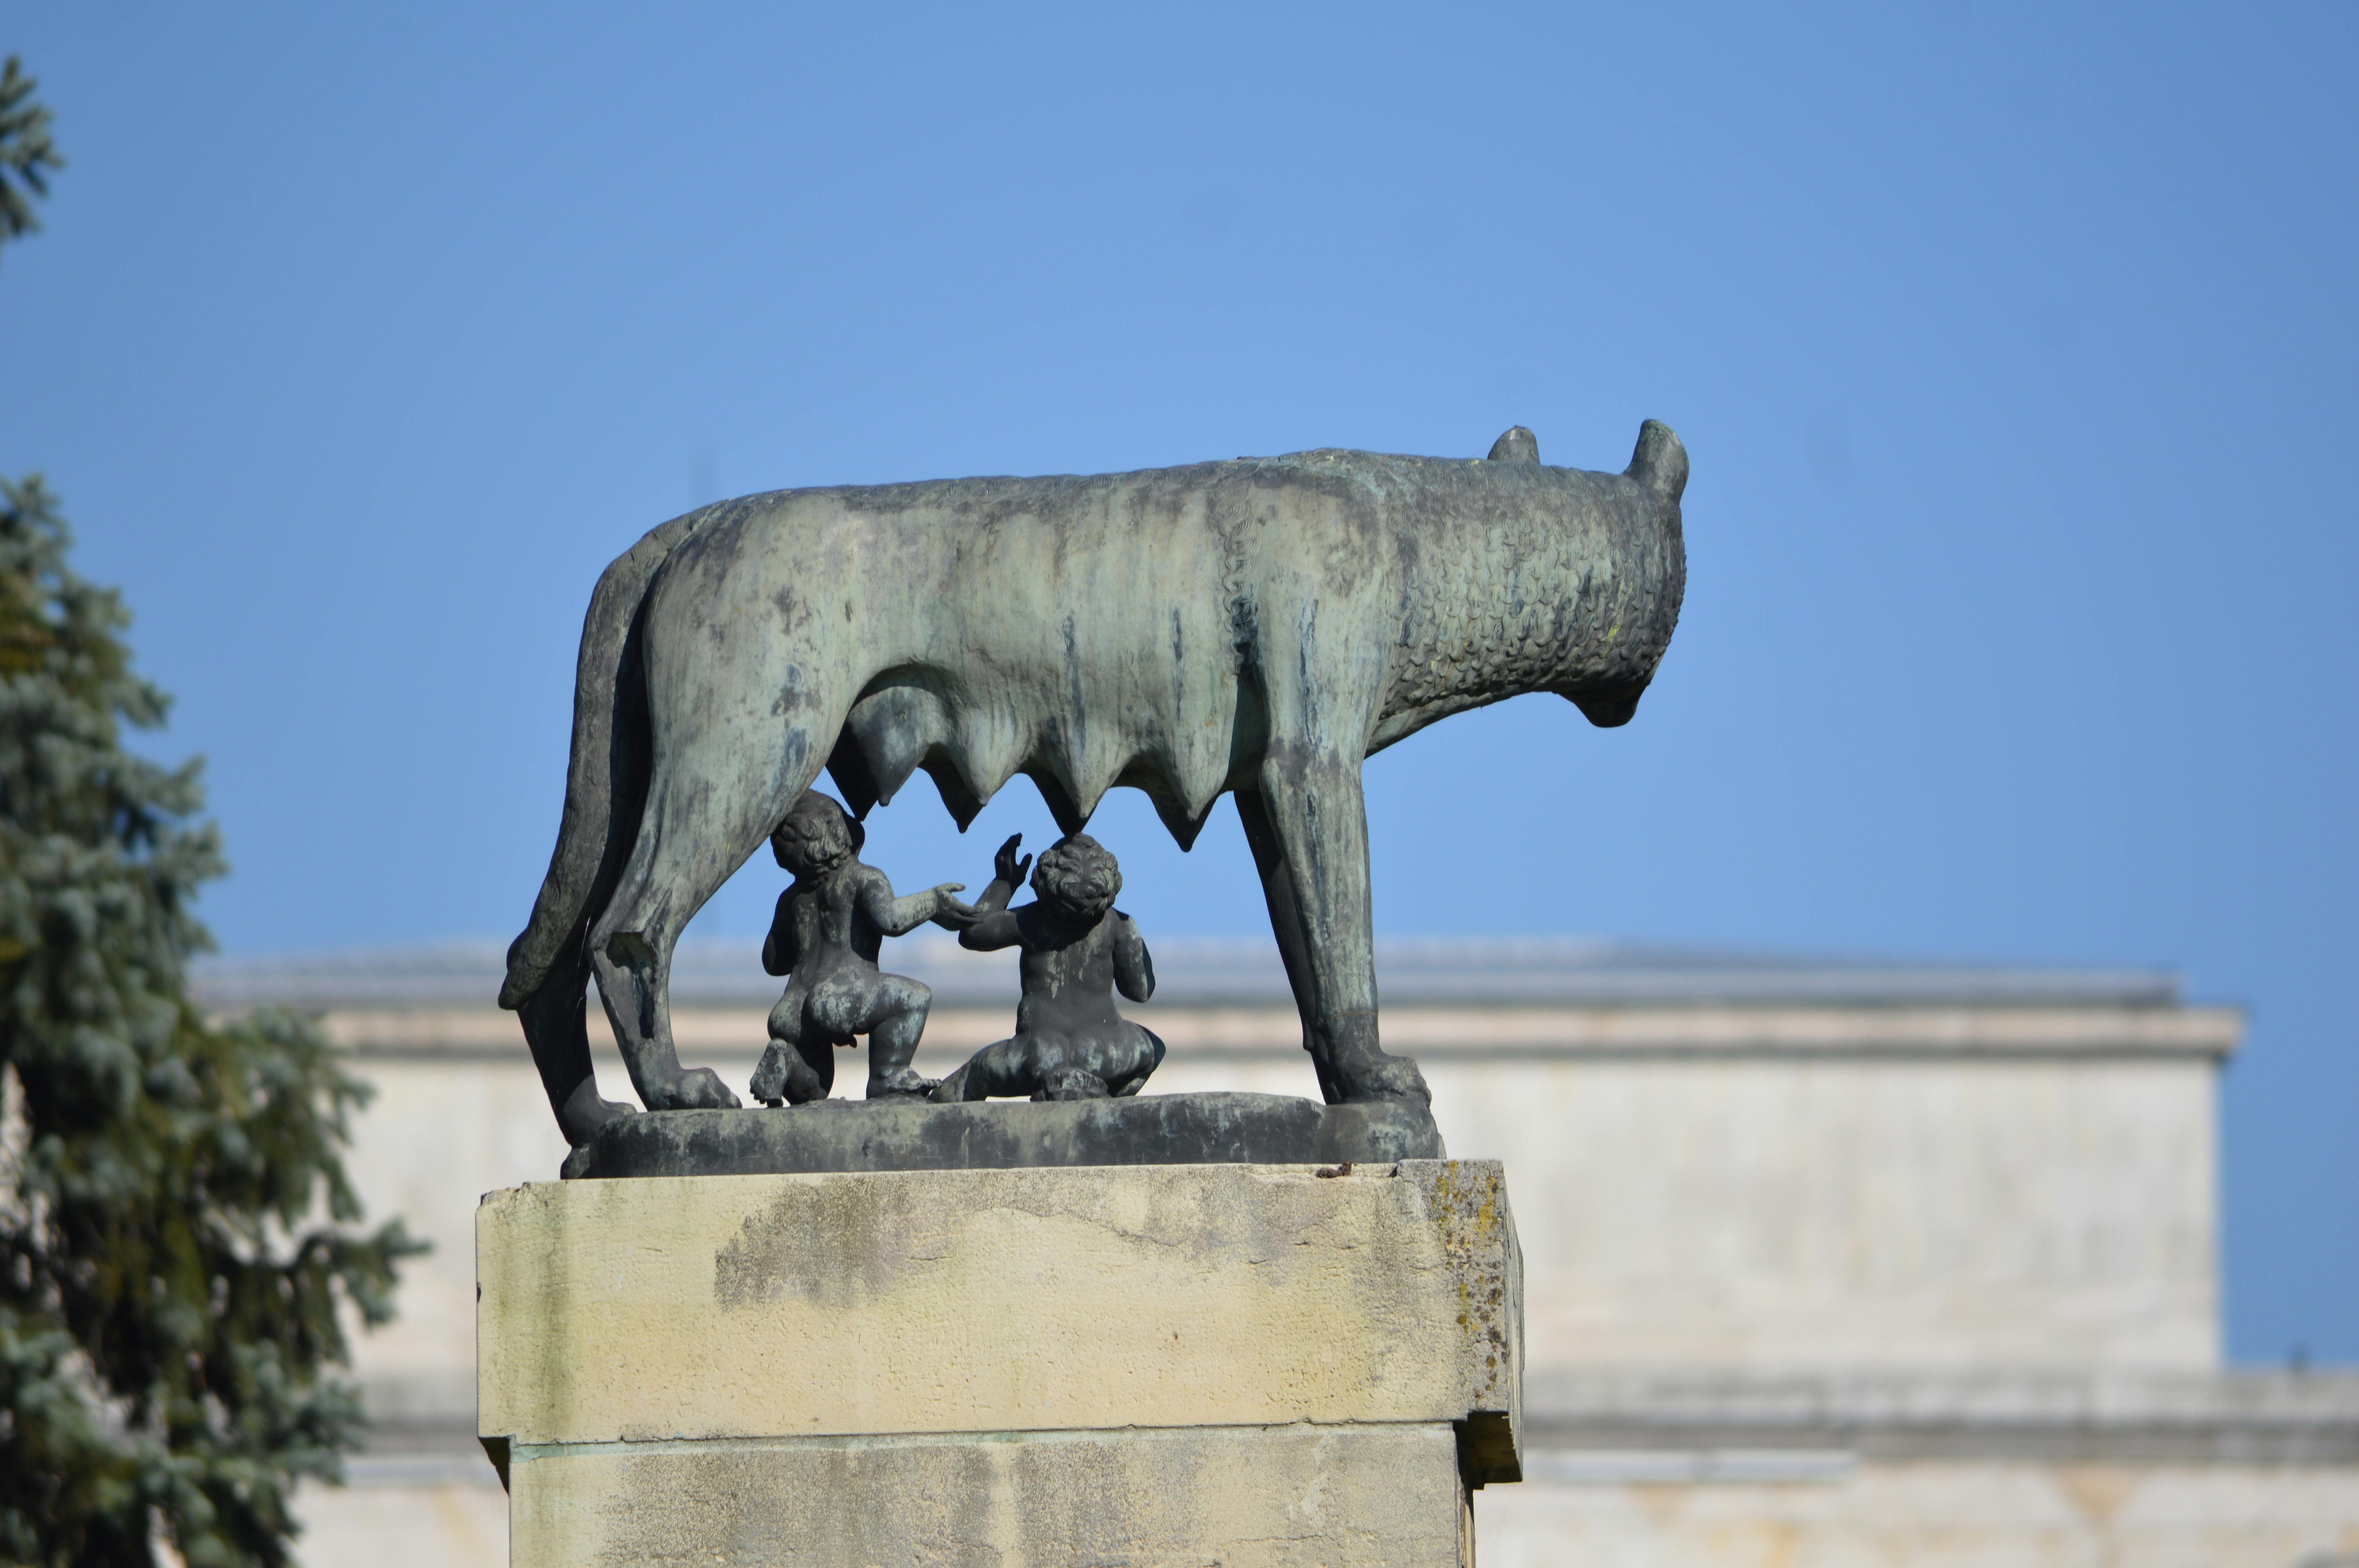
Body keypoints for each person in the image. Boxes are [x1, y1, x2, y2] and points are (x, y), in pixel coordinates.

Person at [749, 791, 972, 1104]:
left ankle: (784, 1056)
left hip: (791, 1006)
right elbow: (891, 921)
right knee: (914, 998)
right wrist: (933, 902)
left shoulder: (791, 899)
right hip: (838, 993)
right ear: (834, 830)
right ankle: (889, 1076)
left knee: (814, 1089)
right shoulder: (863, 877)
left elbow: (772, 962)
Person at [931, 832, 1163, 1102]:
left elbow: (973, 934)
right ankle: (1106, 1101)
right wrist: (1132, 937)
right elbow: (1141, 991)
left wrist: (1004, 883)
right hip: (1102, 1054)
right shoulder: (1119, 925)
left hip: (1036, 1055)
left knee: (970, 1079)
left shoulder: (1029, 919)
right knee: (1154, 1048)